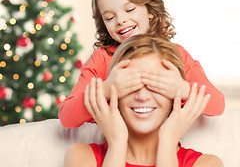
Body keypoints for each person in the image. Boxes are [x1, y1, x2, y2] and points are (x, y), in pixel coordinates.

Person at [58, 0, 225, 128]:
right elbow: (66, 117)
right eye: (109, 17)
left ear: (150, 10)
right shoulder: (102, 58)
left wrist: (181, 89)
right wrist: (107, 90)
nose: (121, 20)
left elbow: (217, 105)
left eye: (130, 9)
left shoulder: (176, 54)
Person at [64, 34, 224, 167]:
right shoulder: (81, 157)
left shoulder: (207, 164)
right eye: (131, 85)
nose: (142, 96)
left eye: (156, 85)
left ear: (176, 95)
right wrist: (117, 143)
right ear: (115, 94)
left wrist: (167, 144)